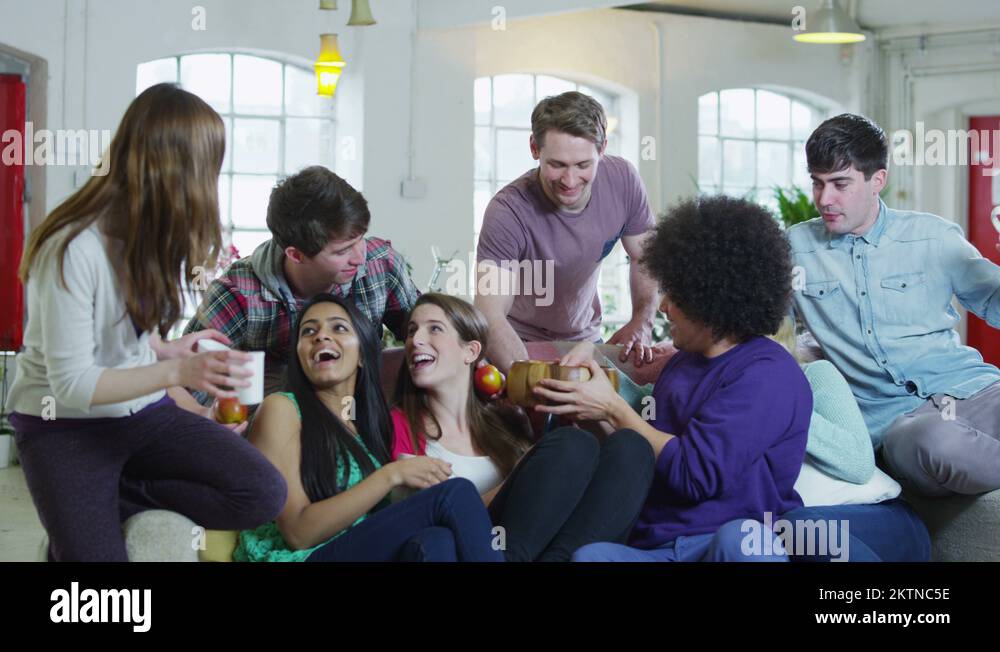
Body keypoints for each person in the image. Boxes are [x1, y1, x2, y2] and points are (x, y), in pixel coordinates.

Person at [5, 83, 287, 561]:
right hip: (64, 427)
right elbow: (73, 385)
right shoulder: (73, 248)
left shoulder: (146, 231)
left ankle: (105, 498)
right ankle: (81, 517)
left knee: (261, 493)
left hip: (140, 413)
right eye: (207, 169)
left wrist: (163, 348)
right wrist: (178, 373)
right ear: (172, 170)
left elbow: (117, 322)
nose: (210, 185)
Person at [535, 195, 813, 562]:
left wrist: (613, 408)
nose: (663, 308)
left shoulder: (769, 374)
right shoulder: (682, 364)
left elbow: (694, 474)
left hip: (724, 543)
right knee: (591, 557)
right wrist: (591, 408)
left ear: (711, 300)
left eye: (675, 296)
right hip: (656, 549)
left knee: (742, 540)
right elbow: (646, 451)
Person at [788, 113, 1000, 497]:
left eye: (840, 184)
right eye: (817, 183)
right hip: (898, 424)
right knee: (932, 442)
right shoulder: (794, 250)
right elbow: (756, 332)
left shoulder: (932, 236)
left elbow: (993, 304)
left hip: (975, 391)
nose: (824, 199)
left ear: (877, 180)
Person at [234, 294, 502, 562]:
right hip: (300, 558)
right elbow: (298, 532)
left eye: (338, 327)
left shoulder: (366, 428)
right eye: (309, 331)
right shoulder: (281, 408)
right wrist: (392, 475)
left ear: (362, 354)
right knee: (454, 494)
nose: (321, 337)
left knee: (436, 542)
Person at [391, 293, 654, 562]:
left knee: (632, 447)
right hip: (478, 546)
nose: (416, 340)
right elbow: (430, 512)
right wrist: (520, 475)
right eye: (411, 331)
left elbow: (583, 480)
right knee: (569, 443)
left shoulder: (505, 418)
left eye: (434, 328)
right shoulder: (399, 424)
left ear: (470, 351)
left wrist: (590, 355)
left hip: (541, 543)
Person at [183, 165, 420, 406]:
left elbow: (434, 338)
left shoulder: (381, 264)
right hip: (272, 425)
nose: (360, 258)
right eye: (343, 251)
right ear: (296, 255)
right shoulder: (238, 293)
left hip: (363, 411)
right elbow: (184, 380)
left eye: (360, 240)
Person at [474, 91, 666, 373]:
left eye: (583, 165)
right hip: (519, 342)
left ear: (602, 150)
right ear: (535, 149)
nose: (570, 180)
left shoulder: (623, 180)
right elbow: (489, 315)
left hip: (585, 340)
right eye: (557, 165)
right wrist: (530, 381)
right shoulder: (507, 211)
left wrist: (642, 321)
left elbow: (646, 256)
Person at [770, 317, 931, 562]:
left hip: (877, 519)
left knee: (795, 526)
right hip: (799, 533)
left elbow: (858, 464)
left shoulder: (814, 375)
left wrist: (774, 401)